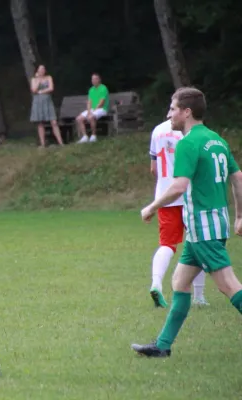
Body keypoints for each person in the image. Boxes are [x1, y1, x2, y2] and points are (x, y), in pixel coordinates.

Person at [132, 87, 242, 358]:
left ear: (187, 112)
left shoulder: (188, 143)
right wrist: (239, 215)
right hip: (209, 225)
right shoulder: (216, 140)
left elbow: (179, 186)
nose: (170, 114)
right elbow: (238, 178)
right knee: (180, 282)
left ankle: (162, 345)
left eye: (173, 109)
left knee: (228, 285)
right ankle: (162, 345)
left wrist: (151, 207)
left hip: (202, 226)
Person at [148, 113, 207, 308]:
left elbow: (153, 169)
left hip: (165, 196)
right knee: (197, 242)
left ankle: (156, 283)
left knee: (167, 244)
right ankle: (198, 296)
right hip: (189, 195)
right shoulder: (189, 132)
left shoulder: (157, 131)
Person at [29, 65, 64, 148]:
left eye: (43, 69)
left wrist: (41, 91)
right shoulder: (34, 79)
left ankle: (61, 142)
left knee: (54, 122)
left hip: (47, 101)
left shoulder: (48, 78)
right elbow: (34, 90)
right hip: (38, 102)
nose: (42, 71)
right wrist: (38, 80)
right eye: (40, 69)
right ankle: (43, 144)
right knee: (40, 123)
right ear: (37, 71)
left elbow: (51, 88)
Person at [76, 73, 109, 143]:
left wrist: (92, 112)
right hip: (92, 109)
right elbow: (89, 102)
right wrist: (88, 111)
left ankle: (94, 136)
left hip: (102, 109)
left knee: (91, 117)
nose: (93, 80)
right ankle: (85, 137)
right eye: (92, 79)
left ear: (99, 80)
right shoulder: (91, 90)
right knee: (79, 118)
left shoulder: (103, 88)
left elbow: (101, 102)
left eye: (95, 79)